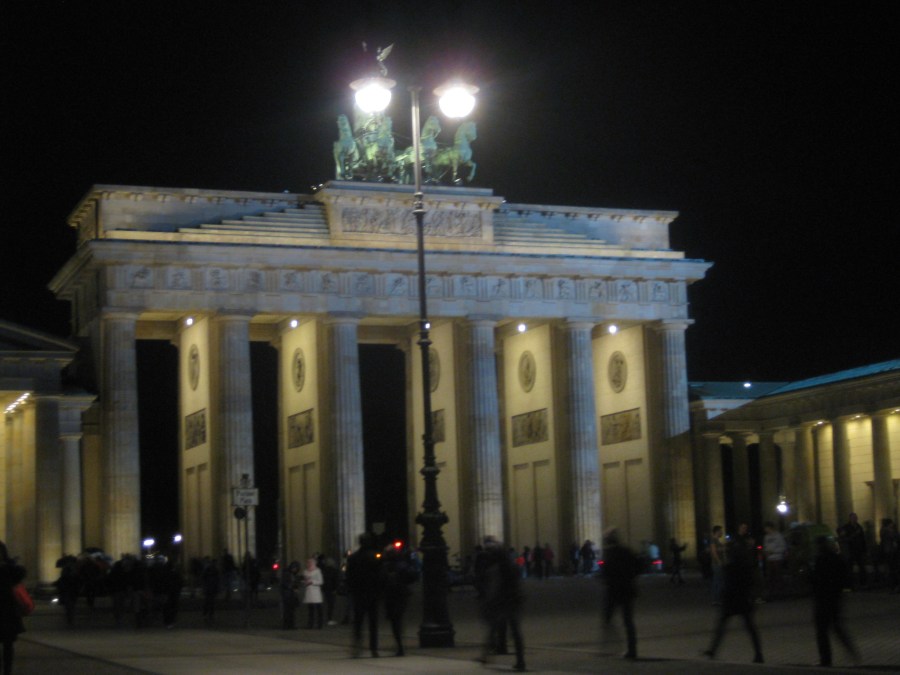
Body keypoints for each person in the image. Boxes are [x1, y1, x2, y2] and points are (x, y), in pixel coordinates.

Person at [703, 541, 764, 664]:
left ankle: (713, 650)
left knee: (721, 626)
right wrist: (754, 598)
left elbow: (726, 584)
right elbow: (752, 583)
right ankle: (758, 653)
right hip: (742, 599)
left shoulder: (729, 567)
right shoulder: (746, 566)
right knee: (750, 628)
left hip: (731, 600)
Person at [811, 535, 859, 667]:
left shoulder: (820, 559)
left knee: (822, 631)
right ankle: (850, 650)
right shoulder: (836, 557)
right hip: (835, 597)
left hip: (823, 598)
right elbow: (846, 577)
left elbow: (816, 579)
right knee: (837, 626)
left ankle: (826, 659)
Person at [478, 537, 525, 671]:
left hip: (502, 602)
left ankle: (486, 655)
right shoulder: (512, 566)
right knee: (515, 632)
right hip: (513, 601)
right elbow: (517, 584)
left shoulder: (496, 569)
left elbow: (494, 587)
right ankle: (521, 660)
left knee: (494, 628)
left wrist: (489, 602)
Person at [600, 529, 639, 659]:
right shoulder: (626, 551)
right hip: (627, 589)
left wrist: (605, 577)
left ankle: (610, 645)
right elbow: (638, 565)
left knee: (607, 617)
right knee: (628, 621)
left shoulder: (609, 553)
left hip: (614, 590)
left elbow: (605, 571)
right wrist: (631, 576)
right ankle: (632, 649)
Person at [345, 533, 383, 658]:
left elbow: (349, 577)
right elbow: (379, 575)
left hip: (359, 593)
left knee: (358, 623)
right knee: (373, 623)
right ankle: (374, 648)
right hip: (372, 593)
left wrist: (351, 590)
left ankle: (357, 647)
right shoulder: (375, 557)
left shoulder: (353, 558)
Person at [382, 543, 419, 656]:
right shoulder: (401, 564)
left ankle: (399, 644)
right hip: (401, 595)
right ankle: (400, 644)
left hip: (391, 595)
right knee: (397, 620)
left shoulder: (385, 566)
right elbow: (413, 575)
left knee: (395, 621)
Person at [0, 542, 26, 675]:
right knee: (8, 645)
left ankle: (7, 670)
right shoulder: (9, 570)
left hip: (7, 612)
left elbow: (21, 573)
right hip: (7, 612)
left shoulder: (8, 570)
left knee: (8, 645)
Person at [838, 512, 868, 588]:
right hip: (850, 550)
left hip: (859, 550)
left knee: (862, 567)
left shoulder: (859, 527)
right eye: (853, 518)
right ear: (850, 518)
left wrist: (865, 550)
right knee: (849, 568)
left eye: (856, 517)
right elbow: (844, 538)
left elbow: (863, 539)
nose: (855, 519)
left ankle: (863, 583)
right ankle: (850, 584)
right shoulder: (846, 527)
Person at [763, 522, 787, 598]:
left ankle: (780, 592)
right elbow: (765, 546)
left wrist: (773, 551)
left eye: (766, 528)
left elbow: (783, 547)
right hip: (769, 559)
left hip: (777, 558)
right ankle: (771, 593)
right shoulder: (766, 537)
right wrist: (766, 552)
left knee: (778, 575)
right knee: (770, 576)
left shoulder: (778, 536)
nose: (765, 530)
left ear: (770, 528)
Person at [878, 519, 899, 593]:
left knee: (892, 569)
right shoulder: (887, 531)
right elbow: (895, 537)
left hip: (889, 551)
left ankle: (892, 586)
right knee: (892, 569)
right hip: (890, 552)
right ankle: (892, 586)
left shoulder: (885, 531)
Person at [302, 557, 324, 629]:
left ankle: (319, 624)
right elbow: (304, 580)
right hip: (309, 592)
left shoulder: (317, 571)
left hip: (316, 592)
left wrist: (312, 582)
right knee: (310, 610)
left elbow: (321, 581)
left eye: (310, 562)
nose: (308, 564)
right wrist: (305, 582)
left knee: (318, 609)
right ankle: (310, 624)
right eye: (308, 562)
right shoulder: (305, 571)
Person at [708, 526, 725, 604]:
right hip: (717, 563)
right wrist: (719, 561)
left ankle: (716, 599)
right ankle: (716, 599)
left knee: (718, 580)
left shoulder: (716, 540)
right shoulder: (713, 540)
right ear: (717, 532)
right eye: (720, 531)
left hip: (717, 563)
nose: (721, 533)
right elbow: (714, 551)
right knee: (718, 581)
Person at [280, 562, 299, 629]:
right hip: (287, 595)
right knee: (288, 611)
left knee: (291, 611)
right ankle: (287, 625)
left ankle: (290, 625)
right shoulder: (287, 574)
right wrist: (292, 587)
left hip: (290, 595)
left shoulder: (292, 574)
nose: (295, 570)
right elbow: (285, 584)